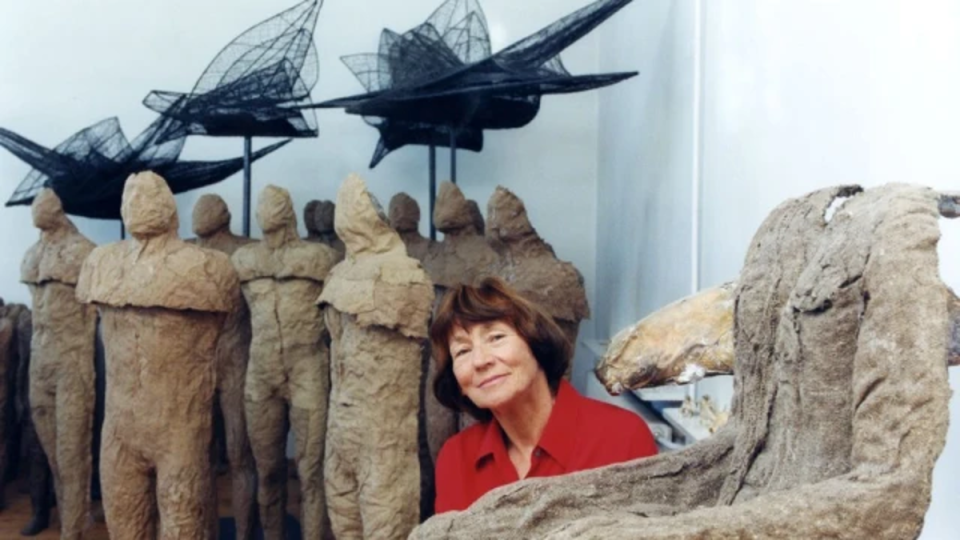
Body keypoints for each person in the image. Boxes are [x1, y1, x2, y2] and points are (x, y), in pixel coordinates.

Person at [431, 277, 658, 513]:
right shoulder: (456, 458)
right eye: (463, 351)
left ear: (536, 343)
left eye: (496, 338)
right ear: (459, 383)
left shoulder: (623, 438)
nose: (480, 361)